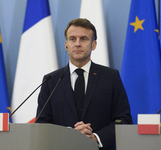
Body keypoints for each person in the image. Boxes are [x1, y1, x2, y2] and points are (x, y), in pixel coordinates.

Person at [36, 18, 132, 150]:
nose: (77, 44)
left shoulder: (111, 77)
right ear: (66, 45)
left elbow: (124, 120)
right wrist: (69, 134)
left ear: (93, 45)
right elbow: (41, 124)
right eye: (72, 39)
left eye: (84, 39)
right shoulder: (51, 80)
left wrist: (96, 138)